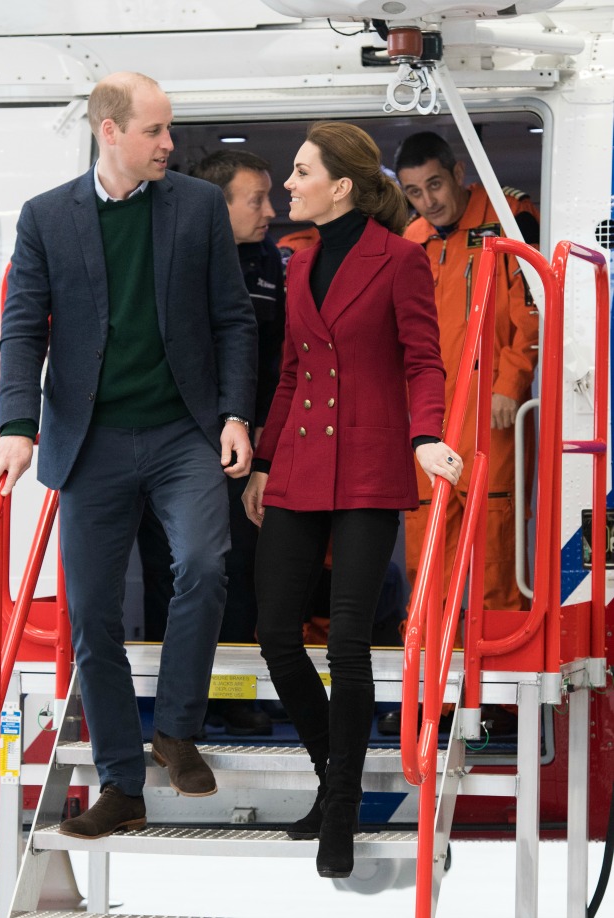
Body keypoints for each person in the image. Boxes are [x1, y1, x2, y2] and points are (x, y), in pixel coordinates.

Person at [0, 72, 258, 839]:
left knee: (204, 564)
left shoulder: (198, 209)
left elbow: (234, 321)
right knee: (93, 615)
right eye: (155, 132)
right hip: (91, 440)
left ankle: (175, 729)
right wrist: (16, 425)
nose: (170, 144)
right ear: (110, 132)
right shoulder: (46, 218)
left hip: (182, 432)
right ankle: (121, 782)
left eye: (169, 131)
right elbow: (21, 331)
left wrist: (237, 414)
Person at [242, 121, 462, 879]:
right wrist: (265, 461)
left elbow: (424, 362)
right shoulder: (297, 267)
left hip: (370, 467)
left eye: (300, 172)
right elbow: (295, 374)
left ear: (340, 185)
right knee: (274, 633)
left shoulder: (400, 262)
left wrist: (425, 436)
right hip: (301, 464)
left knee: (346, 642)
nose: (289, 184)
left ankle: (339, 810)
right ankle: (333, 776)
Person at [380, 131, 540, 737]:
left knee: (496, 558)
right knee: (428, 562)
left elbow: (531, 311)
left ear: (458, 173)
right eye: (415, 193)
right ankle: (433, 698)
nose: (428, 202)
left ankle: (496, 698)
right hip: (429, 423)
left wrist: (511, 381)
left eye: (436, 186)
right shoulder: (412, 244)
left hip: (489, 418)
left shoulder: (507, 221)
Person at [138, 149, 286, 735]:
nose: (270, 211)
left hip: (245, 445)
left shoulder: (271, 264)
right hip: (178, 445)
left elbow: (275, 365)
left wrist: (264, 452)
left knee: (241, 570)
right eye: (256, 199)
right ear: (212, 206)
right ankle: (173, 706)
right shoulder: (173, 261)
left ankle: (234, 696)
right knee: (174, 571)